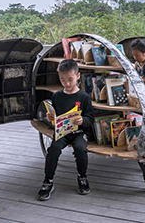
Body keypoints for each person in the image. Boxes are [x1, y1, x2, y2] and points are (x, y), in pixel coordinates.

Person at [37, 59, 94, 201]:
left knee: (80, 149)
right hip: (62, 132)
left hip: (79, 132)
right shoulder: (57, 96)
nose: (67, 84)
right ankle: (48, 181)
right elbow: (55, 116)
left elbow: (90, 119)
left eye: (70, 80)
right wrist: (51, 118)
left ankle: (82, 177)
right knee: (53, 149)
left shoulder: (84, 97)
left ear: (78, 77)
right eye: (63, 80)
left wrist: (82, 120)